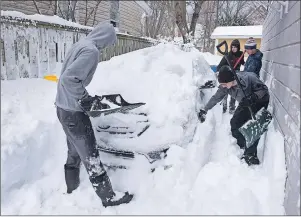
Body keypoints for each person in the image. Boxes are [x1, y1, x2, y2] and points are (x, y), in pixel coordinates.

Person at [55, 22, 133, 207]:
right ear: (104, 38)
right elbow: (69, 79)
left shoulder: (80, 44)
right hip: (74, 111)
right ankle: (108, 198)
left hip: (62, 107)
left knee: (74, 151)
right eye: (109, 42)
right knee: (91, 155)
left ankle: (72, 188)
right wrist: (86, 99)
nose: (106, 47)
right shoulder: (91, 51)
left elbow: (66, 75)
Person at [197, 65, 270, 166]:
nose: (223, 86)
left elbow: (264, 90)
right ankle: (242, 143)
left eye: (224, 84)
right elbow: (216, 98)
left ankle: (251, 155)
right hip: (245, 102)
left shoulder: (249, 78)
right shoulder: (225, 86)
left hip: (259, 101)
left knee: (253, 126)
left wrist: (253, 97)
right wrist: (205, 109)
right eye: (221, 84)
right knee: (235, 123)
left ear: (231, 79)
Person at [217, 39, 245, 114]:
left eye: (235, 47)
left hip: (235, 76)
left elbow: (242, 62)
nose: (233, 48)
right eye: (232, 47)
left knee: (234, 92)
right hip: (228, 76)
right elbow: (219, 66)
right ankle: (224, 105)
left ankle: (232, 107)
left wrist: (245, 63)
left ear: (238, 47)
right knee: (226, 91)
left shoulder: (241, 54)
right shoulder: (228, 55)